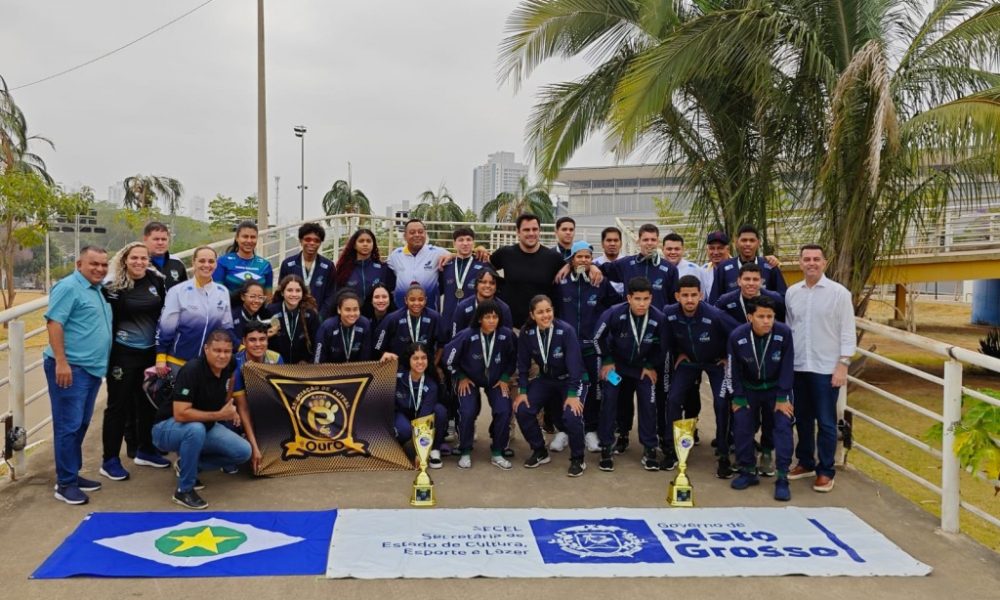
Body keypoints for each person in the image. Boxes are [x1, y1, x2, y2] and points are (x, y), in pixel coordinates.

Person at [151, 330, 251, 509]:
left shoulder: (230, 365)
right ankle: (184, 490)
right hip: (166, 428)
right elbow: (181, 414)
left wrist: (229, 407)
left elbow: (231, 379)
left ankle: (187, 464)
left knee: (243, 452)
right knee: (195, 429)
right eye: (217, 350)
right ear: (206, 349)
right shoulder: (192, 370)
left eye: (227, 351)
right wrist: (220, 415)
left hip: (204, 425)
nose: (222, 356)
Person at [44, 246, 113, 505]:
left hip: (92, 369)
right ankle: (65, 483)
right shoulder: (69, 287)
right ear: (79, 263)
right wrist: (61, 362)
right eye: (93, 264)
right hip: (71, 368)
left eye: (104, 265)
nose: (99, 269)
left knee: (81, 423)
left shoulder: (96, 289)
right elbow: (54, 323)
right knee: (68, 426)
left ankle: (71, 473)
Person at [786, 244, 856, 493]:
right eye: (807, 259)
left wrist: (843, 365)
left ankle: (826, 471)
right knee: (802, 419)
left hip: (827, 369)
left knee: (826, 422)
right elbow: (789, 329)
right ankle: (805, 462)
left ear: (825, 263)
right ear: (800, 263)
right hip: (799, 367)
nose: (811, 263)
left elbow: (848, 332)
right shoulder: (792, 293)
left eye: (816, 259)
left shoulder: (839, 294)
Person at [100, 242, 170, 483]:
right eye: (134, 258)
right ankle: (110, 460)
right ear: (124, 260)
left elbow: (164, 314)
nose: (139, 262)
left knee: (147, 403)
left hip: (149, 353)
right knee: (117, 406)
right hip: (123, 353)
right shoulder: (112, 286)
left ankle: (146, 450)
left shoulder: (156, 281)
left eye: (143, 258)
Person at [662, 275, 741, 477]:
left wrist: (728, 358)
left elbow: (739, 334)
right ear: (677, 296)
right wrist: (678, 351)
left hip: (715, 363)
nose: (689, 300)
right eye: (685, 295)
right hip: (689, 363)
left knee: (721, 403)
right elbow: (666, 339)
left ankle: (723, 454)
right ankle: (673, 450)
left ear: (701, 295)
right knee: (673, 400)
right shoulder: (669, 313)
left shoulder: (715, 315)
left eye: (694, 295)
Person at [715, 262, 786, 475]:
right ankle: (739, 450)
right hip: (737, 364)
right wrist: (722, 355)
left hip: (767, 365)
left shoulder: (775, 300)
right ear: (738, 281)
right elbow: (714, 326)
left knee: (770, 414)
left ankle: (766, 452)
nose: (751, 284)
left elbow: (781, 328)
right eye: (746, 279)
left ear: (762, 281)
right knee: (739, 409)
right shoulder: (725, 302)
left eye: (756, 279)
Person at [726, 295, 795, 501]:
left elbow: (787, 366)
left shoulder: (784, 333)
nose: (767, 321)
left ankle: (782, 477)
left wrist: (783, 396)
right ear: (750, 317)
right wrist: (737, 396)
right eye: (761, 316)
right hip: (748, 389)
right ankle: (747, 470)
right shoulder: (737, 336)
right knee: (742, 426)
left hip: (776, 390)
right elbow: (732, 369)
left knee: (783, 426)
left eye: (770, 316)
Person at [554, 240, 620, 453]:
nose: (583, 260)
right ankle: (563, 430)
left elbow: (616, 308)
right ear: (571, 260)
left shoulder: (600, 281)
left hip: (593, 347)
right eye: (579, 256)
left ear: (592, 260)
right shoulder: (560, 281)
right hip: (565, 347)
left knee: (593, 389)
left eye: (587, 257)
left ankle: (590, 430)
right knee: (564, 388)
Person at [594, 277, 665, 473]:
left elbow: (662, 348)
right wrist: (607, 361)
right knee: (609, 399)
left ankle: (650, 447)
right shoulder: (614, 313)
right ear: (629, 298)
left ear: (652, 298)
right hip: (616, 368)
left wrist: (650, 365)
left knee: (648, 402)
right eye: (637, 299)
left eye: (646, 299)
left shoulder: (658, 318)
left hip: (642, 369)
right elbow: (597, 338)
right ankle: (607, 446)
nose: (642, 304)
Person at [514, 295, 588, 477]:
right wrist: (522, 390)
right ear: (532, 315)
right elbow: (522, 364)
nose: (545, 315)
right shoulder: (527, 332)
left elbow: (575, 366)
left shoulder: (565, 330)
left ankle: (578, 458)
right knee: (523, 408)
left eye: (548, 310)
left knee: (572, 415)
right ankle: (540, 451)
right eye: (540, 312)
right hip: (546, 379)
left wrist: (572, 394)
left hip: (572, 380)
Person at [443, 300, 518, 470]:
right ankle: (465, 451)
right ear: (479, 319)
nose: (492, 321)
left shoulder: (507, 335)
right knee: (467, 411)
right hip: (469, 379)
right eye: (487, 317)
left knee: (504, 410)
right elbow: (448, 359)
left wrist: (505, 377)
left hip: (496, 380)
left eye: (495, 317)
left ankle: (498, 451)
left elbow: (514, 359)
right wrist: (460, 376)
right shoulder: (466, 335)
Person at [156, 246, 234, 375]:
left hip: (208, 363)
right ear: (193, 263)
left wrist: (242, 348)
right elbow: (165, 327)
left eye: (211, 261)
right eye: (202, 261)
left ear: (216, 264)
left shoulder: (222, 292)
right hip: (178, 361)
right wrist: (160, 357)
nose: (206, 265)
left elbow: (227, 328)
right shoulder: (177, 291)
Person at [660, 232, 705, 444]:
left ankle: (691, 427)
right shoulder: (658, 268)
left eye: (676, 248)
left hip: (695, 339)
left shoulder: (695, 270)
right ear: (663, 249)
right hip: (671, 337)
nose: (672, 252)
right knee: (668, 391)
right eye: (669, 248)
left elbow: (704, 299)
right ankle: (668, 435)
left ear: (683, 249)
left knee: (692, 392)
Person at [488, 213, 568, 326]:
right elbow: (485, 264)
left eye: (535, 229)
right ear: (518, 232)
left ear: (539, 231)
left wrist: (592, 267)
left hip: (542, 327)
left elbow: (575, 268)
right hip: (512, 327)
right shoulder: (505, 253)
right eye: (526, 230)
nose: (531, 233)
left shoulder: (553, 257)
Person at [231, 320, 284, 474]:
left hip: (266, 408)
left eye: (262, 339)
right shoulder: (236, 364)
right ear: (244, 342)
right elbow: (243, 409)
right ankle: (243, 445)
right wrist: (254, 448)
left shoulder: (276, 359)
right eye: (252, 340)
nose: (258, 344)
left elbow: (280, 398)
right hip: (240, 412)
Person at [599, 223, 678, 310]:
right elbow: (602, 270)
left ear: (658, 242)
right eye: (645, 240)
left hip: (658, 321)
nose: (649, 243)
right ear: (638, 241)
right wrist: (592, 266)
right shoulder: (626, 264)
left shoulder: (670, 269)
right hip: (630, 320)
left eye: (653, 240)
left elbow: (674, 302)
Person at [393, 343, 446, 469]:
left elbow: (424, 418)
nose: (420, 362)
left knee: (440, 411)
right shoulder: (397, 376)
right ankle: (396, 445)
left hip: (421, 416)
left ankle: (434, 450)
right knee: (404, 430)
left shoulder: (431, 384)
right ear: (408, 360)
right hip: (402, 414)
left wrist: (420, 454)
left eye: (424, 358)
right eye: (415, 358)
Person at [375, 284, 448, 370]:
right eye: (412, 300)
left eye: (421, 299)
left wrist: (434, 365)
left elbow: (442, 344)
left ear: (425, 300)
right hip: (398, 368)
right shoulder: (392, 318)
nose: (416, 303)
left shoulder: (434, 317)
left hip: (424, 368)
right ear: (406, 300)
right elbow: (378, 346)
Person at [711, 224, 787, 301]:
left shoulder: (770, 266)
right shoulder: (723, 268)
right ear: (737, 242)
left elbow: (782, 298)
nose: (748, 244)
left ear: (758, 243)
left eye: (752, 240)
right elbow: (714, 302)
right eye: (744, 240)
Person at [386, 219, 450, 306]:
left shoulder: (437, 253)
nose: (417, 235)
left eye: (420, 232)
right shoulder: (395, 255)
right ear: (405, 236)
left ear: (425, 234)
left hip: (429, 311)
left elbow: (462, 255)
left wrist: (452, 256)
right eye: (412, 232)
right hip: (401, 311)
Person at [279, 222, 337, 319]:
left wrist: (320, 317)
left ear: (320, 243)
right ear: (301, 241)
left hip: (319, 318)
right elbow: (281, 292)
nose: (312, 243)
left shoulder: (328, 266)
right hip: (292, 317)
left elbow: (331, 296)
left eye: (316, 240)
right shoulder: (288, 264)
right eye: (307, 239)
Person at [438, 227, 488, 324]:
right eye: (461, 240)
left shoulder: (483, 264)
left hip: (473, 319)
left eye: (468, 240)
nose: (465, 243)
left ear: (474, 243)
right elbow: (438, 290)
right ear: (454, 243)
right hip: (448, 319)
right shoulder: (445, 265)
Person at [266, 275, 320, 364]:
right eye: (289, 290)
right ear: (282, 292)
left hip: (301, 368)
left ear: (302, 293)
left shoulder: (310, 314)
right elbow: (262, 338)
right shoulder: (270, 311)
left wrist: (308, 360)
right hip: (275, 365)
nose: (294, 294)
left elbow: (316, 342)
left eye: (298, 290)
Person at [449, 268, 514, 337]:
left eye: (492, 283)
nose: (487, 286)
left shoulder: (504, 309)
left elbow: (508, 339)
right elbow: (455, 338)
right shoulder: (463, 307)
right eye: (483, 282)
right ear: (476, 285)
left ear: (496, 287)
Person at [314, 291, 375, 364]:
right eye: (347, 310)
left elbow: (366, 357)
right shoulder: (327, 327)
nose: (352, 314)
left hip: (357, 371)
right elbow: (318, 359)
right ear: (339, 310)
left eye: (355, 309)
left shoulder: (365, 324)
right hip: (330, 372)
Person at [213, 221, 274, 293]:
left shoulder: (265, 265)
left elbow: (268, 297)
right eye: (245, 236)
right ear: (237, 238)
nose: (249, 240)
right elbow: (216, 294)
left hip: (258, 304)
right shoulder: (222, 262)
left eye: (253, 237)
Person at [334, 228, 394, 301]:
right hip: (352, 311)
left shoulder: (383, 269)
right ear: (354, 245)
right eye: (361, 241)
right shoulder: (343, 269)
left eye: (368, 241)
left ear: (373, 244)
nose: (365, 244)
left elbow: (391, 294)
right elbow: (337, 295)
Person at [143, 221, 188, 289]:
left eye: (164, 239)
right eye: (156, 239)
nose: (160, 243)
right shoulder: (138, 264)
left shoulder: (177, 263)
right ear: (145, 239)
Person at [702, 231, 732, 304]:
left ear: (728, 249)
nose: (715, 252)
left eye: (720, 248)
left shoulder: (739, 267)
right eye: (712, 248)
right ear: (707, 250)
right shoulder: (703, 270)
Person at [595, 226, 624, 296]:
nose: (612, 244)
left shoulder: (627, 264)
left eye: (616, 240)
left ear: (621, 244)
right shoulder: (594, 264)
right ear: (602, 244)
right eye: (609, 240)